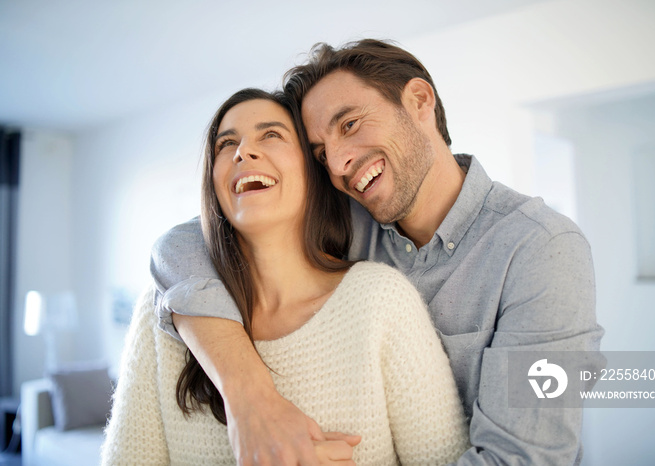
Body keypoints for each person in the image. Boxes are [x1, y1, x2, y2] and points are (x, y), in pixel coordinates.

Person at [152, 40, 604, 465]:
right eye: (320, 152)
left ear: (420, 101)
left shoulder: (541, 250)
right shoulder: (350, 220)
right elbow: (184, 244)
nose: (339, 164)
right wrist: (249, 397)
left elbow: (518, 460)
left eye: (349, 125)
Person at [103, 88, 469, 465]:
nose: (244, 151)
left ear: (314, 171)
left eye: (271, 135)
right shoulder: (164, 308)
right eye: (226, 144)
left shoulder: (382, 301)